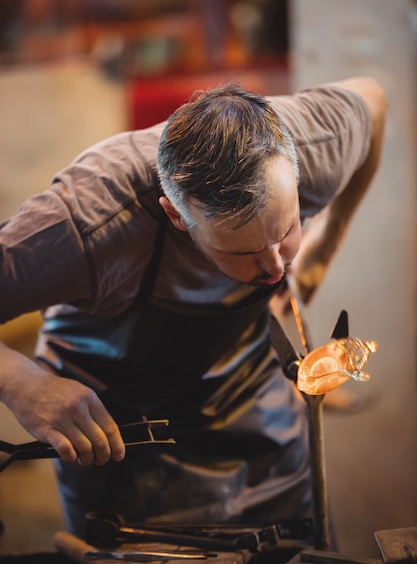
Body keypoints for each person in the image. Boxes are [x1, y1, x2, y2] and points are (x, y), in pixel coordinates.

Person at [0, 76, 387, 541]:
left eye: (284, 233)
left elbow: (374, 100)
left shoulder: (315, 141)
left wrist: (327, 242)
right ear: (176, 216)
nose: (274, 268)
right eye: (242, 252)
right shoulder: (87, 224)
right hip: (125, 439)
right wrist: (20, 382)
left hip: (256, 407)